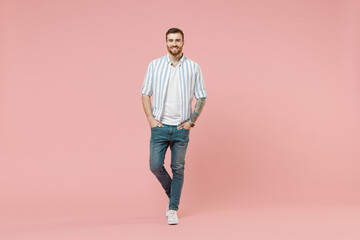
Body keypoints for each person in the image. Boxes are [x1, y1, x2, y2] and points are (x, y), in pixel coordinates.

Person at [141, 27, 207, 225]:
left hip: (180, 129)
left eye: (177, 40)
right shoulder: (154, 65)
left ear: (183, 42)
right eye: (170, 40)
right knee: (154, 165)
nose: (174, 44)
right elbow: (145, 93)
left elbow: (202, 96)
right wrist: (151, 121)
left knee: (178, 168)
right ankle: (174, 194)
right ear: (166, 43)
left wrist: (191, 121)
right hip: (159, 127)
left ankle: (173, 209)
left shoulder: (193, 67)